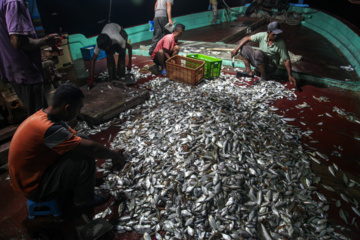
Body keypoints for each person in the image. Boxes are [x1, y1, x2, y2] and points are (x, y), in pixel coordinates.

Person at [8, 83, 126, 208]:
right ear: (68, 108)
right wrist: (114, 155)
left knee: (82, 139)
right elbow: (92, 149)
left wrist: (108, 152)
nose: (79, 112)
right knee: (83, 157)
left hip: (39, 172)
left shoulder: (45, 116)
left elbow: (81, 140)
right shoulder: (48, 129)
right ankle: (82, 200)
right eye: (79, 108)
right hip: (35, 188)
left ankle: (81, 183)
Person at [0, 0, 60, 116]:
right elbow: (17, 42)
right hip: (25, 67)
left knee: (34, 115)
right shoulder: (14, 2)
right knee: (40, 117)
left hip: (12, 68)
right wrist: (45, 41)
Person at [231, 21, 296, 85]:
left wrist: (289, 75)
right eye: (273, 34)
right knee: (244, 47)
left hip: (271, 66)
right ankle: (249, 72)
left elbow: (286, 59)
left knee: (258, 53)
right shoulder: (262, 35)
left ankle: (264, 77)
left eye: (277, 34)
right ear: (268, 32)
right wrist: (236, 49)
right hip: (259, 61)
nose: (276, 36)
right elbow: (247, 38)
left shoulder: (281, 42)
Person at [88, 23, 132, 88]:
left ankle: (120, 77)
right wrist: (91, 78)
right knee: (109, 55)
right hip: (109, 33)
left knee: (121, 54)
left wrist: (130, 62)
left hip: (120, 31)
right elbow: (93, 60)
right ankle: (112, 78)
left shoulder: (119, 39)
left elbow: (129, 47)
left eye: (106, 48)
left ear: (110, 43)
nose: (104, 50)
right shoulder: (100, 44)